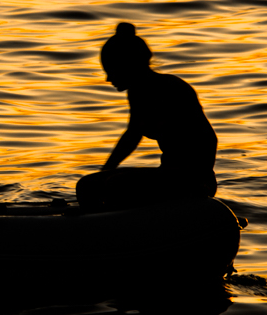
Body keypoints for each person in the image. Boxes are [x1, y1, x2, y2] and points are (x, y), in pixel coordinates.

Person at [77, 21, 217, 211]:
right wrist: (105, 170)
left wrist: (198, 179)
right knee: (87, 184)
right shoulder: (136, 93)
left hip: (193, 179)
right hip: (167, 174)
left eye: (111, 71)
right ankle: (91, 220)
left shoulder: (172, 88)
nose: (108, 79)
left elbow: (209, 139)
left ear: (128, 66)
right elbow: (132, 135)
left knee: (116, 184)